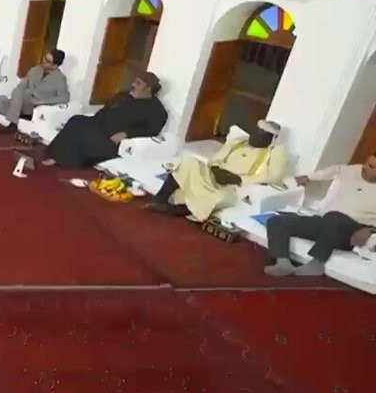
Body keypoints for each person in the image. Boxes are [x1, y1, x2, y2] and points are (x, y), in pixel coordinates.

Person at [146, 120, 287, 221]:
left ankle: (174, 210)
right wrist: (215, 169)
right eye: (256, 132)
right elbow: (216, 159)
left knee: (221, 198)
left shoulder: (275, 152)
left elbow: (274, 176)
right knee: (188, 162)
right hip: (215, 174)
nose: (256, 136)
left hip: (233, 185)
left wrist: (239, 179)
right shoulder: (239, 141)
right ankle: (160, 199)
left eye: (262, 135)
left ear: (271, 139)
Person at [263, 153, 376, 277]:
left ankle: (316, 264)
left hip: (352, 232)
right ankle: (283, 263)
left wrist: (370, 231)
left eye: (372, 167)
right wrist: (306, 178)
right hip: (325, 222)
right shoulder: (348, 170)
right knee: (276, 221)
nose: (365, 168)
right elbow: (326, 173)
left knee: (334, 218)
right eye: (368, 164)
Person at [43, 72, 167, 168]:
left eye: (138, 83)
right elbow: (105, 109)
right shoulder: (123, 96)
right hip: (99, 125)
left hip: (111, 140)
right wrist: (93, 120)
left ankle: (65, 160)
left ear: (148, 89)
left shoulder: (157, 110)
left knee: (84, 133)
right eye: (134, 81)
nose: (133, 85)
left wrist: (127, 134)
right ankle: (55, 155)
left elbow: (151, 130)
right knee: (77, 120)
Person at [0, 49, 70, 134]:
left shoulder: (60, 78)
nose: (44, 61)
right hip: (23, 101)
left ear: (55, 66)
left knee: (17, 93)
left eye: (48, 61)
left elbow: (64, 98)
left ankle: (13, 124)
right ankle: (20, 114)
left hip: (34, 104)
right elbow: (22, 85)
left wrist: (42, 101)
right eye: (45, 58)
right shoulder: (34, 70)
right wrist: (17, 94)